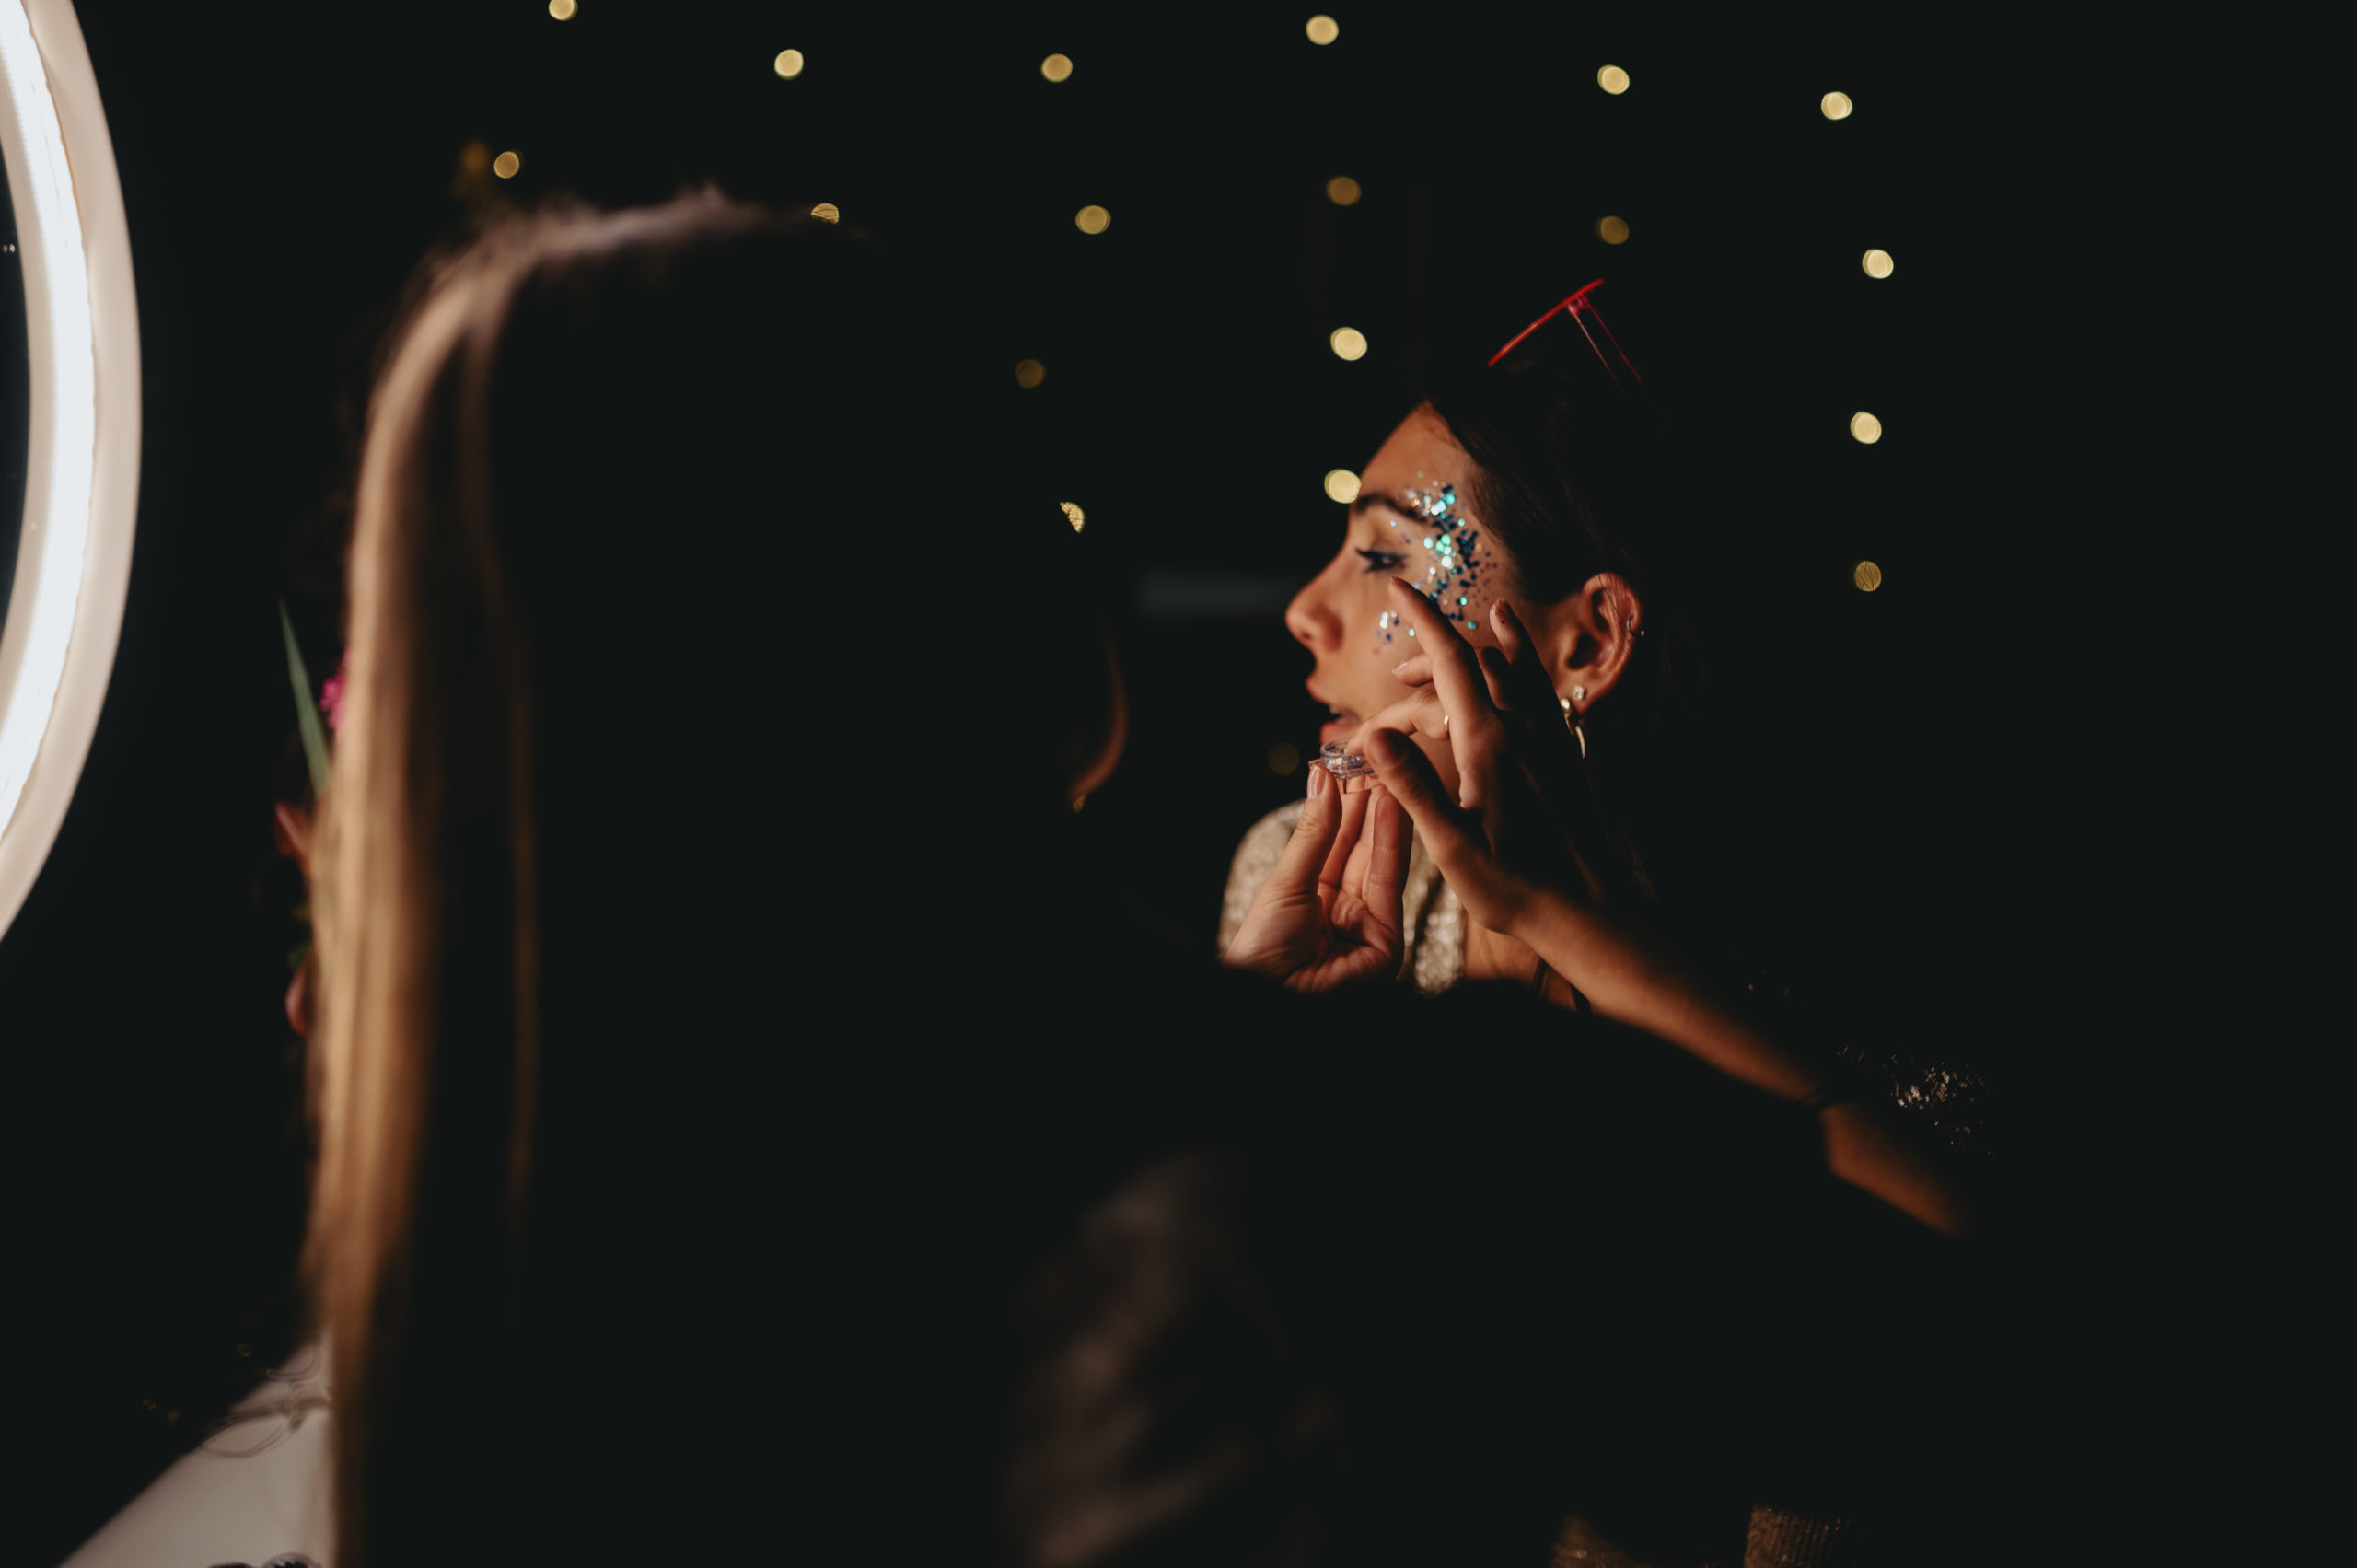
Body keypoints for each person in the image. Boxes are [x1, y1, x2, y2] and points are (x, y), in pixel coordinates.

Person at [1219, 285, 1992, 1239]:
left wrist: (1565, 922)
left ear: (1587, 643)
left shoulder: (1830, 968)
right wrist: (1257, 1053)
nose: (1303, 608)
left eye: (1383, 557)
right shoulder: (1301, 886)